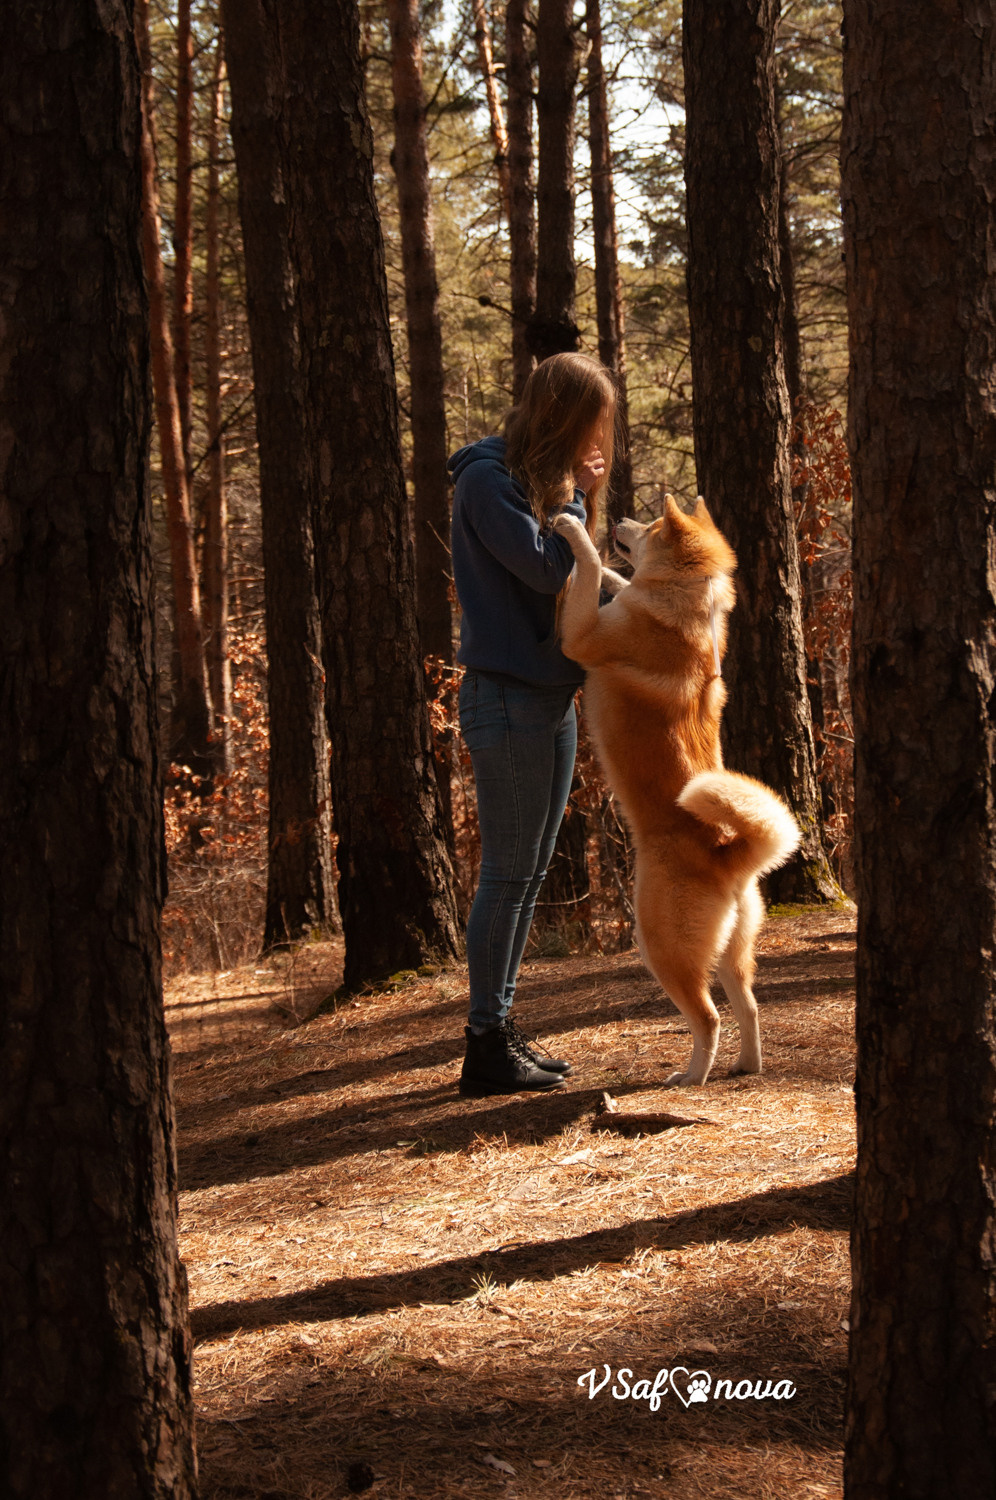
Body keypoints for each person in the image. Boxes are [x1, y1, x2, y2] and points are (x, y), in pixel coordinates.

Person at [447, 352, 617, 1096]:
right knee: (507, 874)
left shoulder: (541, 486)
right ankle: (485, 1043)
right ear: (562, 418)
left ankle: (501, 1026)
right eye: (588, 426)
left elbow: (581, 576)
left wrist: (584, 496)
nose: (594, 441)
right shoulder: (487, 481)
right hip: (507, 699)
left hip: (550, 696)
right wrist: (580, 499)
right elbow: (551, 570)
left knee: (529, 874)